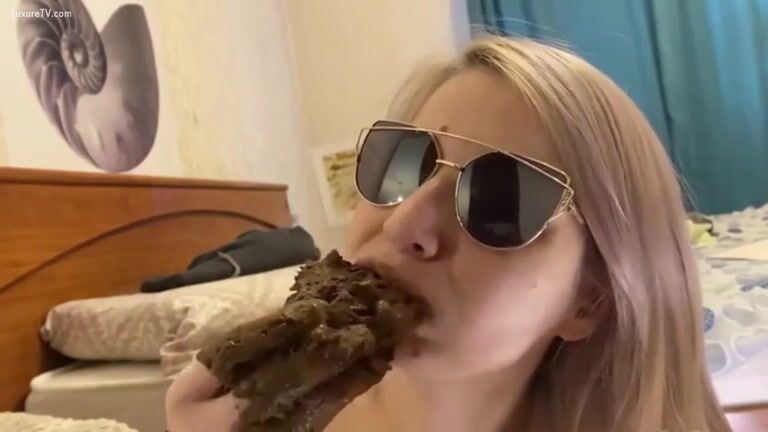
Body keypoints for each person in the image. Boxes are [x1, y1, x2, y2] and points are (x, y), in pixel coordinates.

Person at [165, 36, 732, 432]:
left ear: (590, 300)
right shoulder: (252, 406)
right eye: (400, 163)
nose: (403, 221)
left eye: (500, 199)